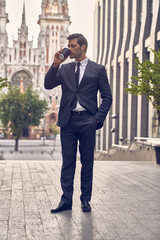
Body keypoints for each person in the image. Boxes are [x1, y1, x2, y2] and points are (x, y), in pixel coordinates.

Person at [44, 33, 112, 213]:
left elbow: (107, 97)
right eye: (69, 46)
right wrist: (55, 65)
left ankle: (85, 200)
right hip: (68, 121)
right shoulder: (64, 69)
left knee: (87, 162)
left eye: (73, 46)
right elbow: (48, 84)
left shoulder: (97, 69)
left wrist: (97, 118)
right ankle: (66, 201)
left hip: (88, 121)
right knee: (68, 163)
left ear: (83, 47)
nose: (69, 49)